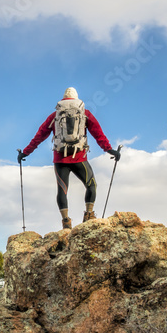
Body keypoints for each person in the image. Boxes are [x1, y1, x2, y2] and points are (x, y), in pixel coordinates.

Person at [17, 87, 120, 229]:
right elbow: (98, 134)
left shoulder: (55, 116)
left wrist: (26, 152)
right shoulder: (85, 114)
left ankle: (66, 222)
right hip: (80, 159)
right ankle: (89, 216)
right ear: (77, 99)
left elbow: (39, 136)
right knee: (91, 185)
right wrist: (110, 150)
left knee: (62, 190)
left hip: (60, 160)